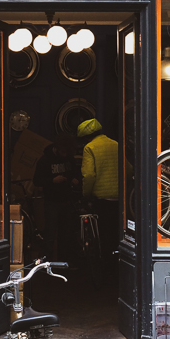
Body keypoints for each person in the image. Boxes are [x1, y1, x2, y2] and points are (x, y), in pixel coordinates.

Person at [77, 118, 120, 277]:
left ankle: (106, 270)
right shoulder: (115, 144)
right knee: (117, 234)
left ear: (85, 137)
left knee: (104, 236)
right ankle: (118, 268)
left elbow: (88, 175)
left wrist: (85, 194)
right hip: (119, 198)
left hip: (102, 199)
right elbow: (128, 169)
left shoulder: (90, 147)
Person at [33, 135, 81, 261]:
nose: (65, 155)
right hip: (52, 201)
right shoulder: (45, 160)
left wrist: (75, 179)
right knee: (50, 233)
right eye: (63, 152)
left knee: (66, 234)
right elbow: (37, 181)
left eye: (67, 153)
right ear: (57, 148)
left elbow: (76, 173)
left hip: (67, 200)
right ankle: (47, 262)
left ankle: (63, 261)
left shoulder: (69, 158)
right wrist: (52, 180)